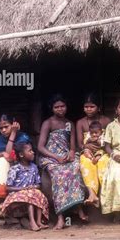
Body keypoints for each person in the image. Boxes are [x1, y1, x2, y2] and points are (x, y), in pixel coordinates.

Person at [38, 94, 87, 230]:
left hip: (65, 156)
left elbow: (72, 146)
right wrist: (56, 157)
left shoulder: (69, 124)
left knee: (76, 167)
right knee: (59, 175)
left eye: (62, 106)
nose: (60, 109)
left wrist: (71, 153)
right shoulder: (48, 123)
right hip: (51, 157)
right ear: (52, 108)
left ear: (66, 107)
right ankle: (60, 217)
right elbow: (40, 147)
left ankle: (79, 206)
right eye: (56, 107)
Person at [2, 142, 49, 231]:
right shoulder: (15, 169)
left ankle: (39, 221)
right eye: (30, 151)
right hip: (15, 197)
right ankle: (32, 222)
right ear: (21, 154)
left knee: (37, 193)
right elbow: (8, 187)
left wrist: (33, 187)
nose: (33, 152)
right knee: (30, 195)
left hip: (30, 194)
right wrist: (23, 189)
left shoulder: (34, 167)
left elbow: (38, 184)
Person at [77, 92, 111, 207]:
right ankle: (92, 194)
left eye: (92, 106)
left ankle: (105, 195)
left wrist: (101, 149)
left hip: (103, 151)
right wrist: (87, 149)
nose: (89, 109)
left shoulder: (106, 121)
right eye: (86, 107)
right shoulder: (80, 123)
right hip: (87, 151)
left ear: (99, 107)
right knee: (86, 162)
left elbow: (109, 140)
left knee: (103, 163)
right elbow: (80, 143)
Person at [79, 120, 109, 207]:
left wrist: (98, 141)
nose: (94, 134)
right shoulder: (89, 135)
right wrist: (89, 140)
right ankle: (92, 194)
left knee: (100, 156)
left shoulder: (103, 135)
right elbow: (84, 144)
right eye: (92, 133)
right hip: (90, 151)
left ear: (101, 131)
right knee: (86, 152)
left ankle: (104, 194)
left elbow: (104, 144)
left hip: (100, 150)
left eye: (96, 133)